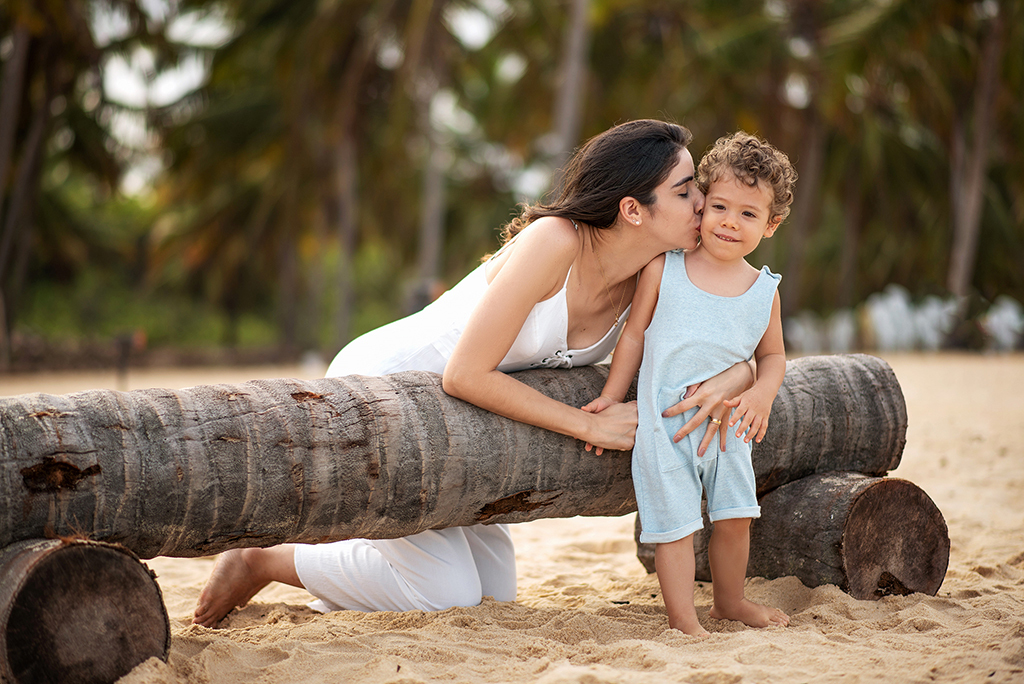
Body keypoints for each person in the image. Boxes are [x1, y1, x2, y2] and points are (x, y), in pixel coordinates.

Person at [192, 120, 757, 628]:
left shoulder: (656, 272)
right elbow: (463, 373)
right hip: (389, 395)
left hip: (465, 430)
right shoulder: (556, 242)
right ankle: (264, 557)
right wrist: (588, 426)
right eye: (687, 192)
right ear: (634, 210)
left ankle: (334, 581)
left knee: (493, 593)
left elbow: (736, 338)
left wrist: (737, 377)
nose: (704, 204)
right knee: (446, 592)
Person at [582, 131, 797, 636]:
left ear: (772, 224)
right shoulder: (666, 268)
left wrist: (762, 394)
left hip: (728, 427)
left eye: (749, 213)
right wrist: (613, 396)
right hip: (666, 425)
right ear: (701, 205)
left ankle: (730, 601)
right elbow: (633, 335)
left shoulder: (764, 290)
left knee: (735, 517)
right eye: (719, 205)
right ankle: (683, 620)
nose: (729, 221)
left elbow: (773, 356)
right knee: (674, 527)